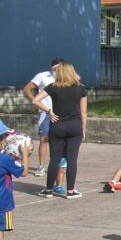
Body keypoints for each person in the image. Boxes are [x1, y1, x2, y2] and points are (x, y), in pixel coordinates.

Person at [31, 61, 87, 198]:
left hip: (58, 125)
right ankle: (71, 190)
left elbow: (35, 100)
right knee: (72, 159)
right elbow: (83, 112)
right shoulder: (81, 88)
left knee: (55, 158)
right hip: (75, 126)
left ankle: (49, 189)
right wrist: (83, 129)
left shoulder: (53, 87)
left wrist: (49, 111)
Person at [22, 57, 62, 175]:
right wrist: (36, 103)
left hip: (60, 112)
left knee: (59, 140)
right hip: (45, 112)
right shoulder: (43, 76)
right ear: (52, 67)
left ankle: (56, 166)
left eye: (61, 67)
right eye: (56, 67)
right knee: (44, 139)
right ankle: (41, 166)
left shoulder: (66, 78)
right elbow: (27, 88)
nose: (58, 69)